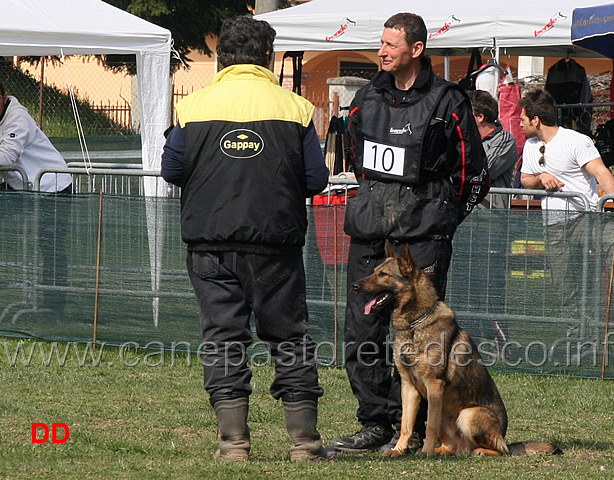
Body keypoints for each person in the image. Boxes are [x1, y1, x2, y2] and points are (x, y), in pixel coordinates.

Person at [161, 15, 335, 462]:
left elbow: (172, 170)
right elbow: (316, 178)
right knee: (290, 339)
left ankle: (233, 445)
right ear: (268, 57)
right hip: (276, 245)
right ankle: (305, 445)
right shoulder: (295, 108)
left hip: (208, 245)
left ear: (222, 57)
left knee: (223, 339)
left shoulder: (193, 106)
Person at [330, 13, 490, 455]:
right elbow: (360, 161)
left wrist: (444, 217)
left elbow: (475, 173)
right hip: (370, 235)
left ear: (416, 50)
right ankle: (377, 423)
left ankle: (419, 431)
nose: (381, 51)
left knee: (424, 341)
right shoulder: (366, 98)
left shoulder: (446, 100)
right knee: (361, 334)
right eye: (380, 43)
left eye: (391, 45)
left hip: (423, 240)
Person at [519, 89, 614, 332]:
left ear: (535, 120)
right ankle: (576, 334)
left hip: (584, 218)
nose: (519, 124)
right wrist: (542, 177)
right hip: (554, 225)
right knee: (564, 283)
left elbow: (601, 172)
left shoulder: (576, 140)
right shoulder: (530, 146)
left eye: (522, 119)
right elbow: (526, 180)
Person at [0, 81, 73, 318]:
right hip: (23, 185)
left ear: (3, 97)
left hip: (53, 186)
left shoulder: (17, 118)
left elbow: (5, 156)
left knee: (51, 246)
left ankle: (53, 307)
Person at [462, 90, 518, 352]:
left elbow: (480, 170)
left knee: (490, 283)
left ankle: (501, 342)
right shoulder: (463, 138)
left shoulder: (504, 140)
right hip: (465, 222)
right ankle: (469, 338)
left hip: (491, 224)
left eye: (466, 115)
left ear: (480, 116)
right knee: (466, 283)